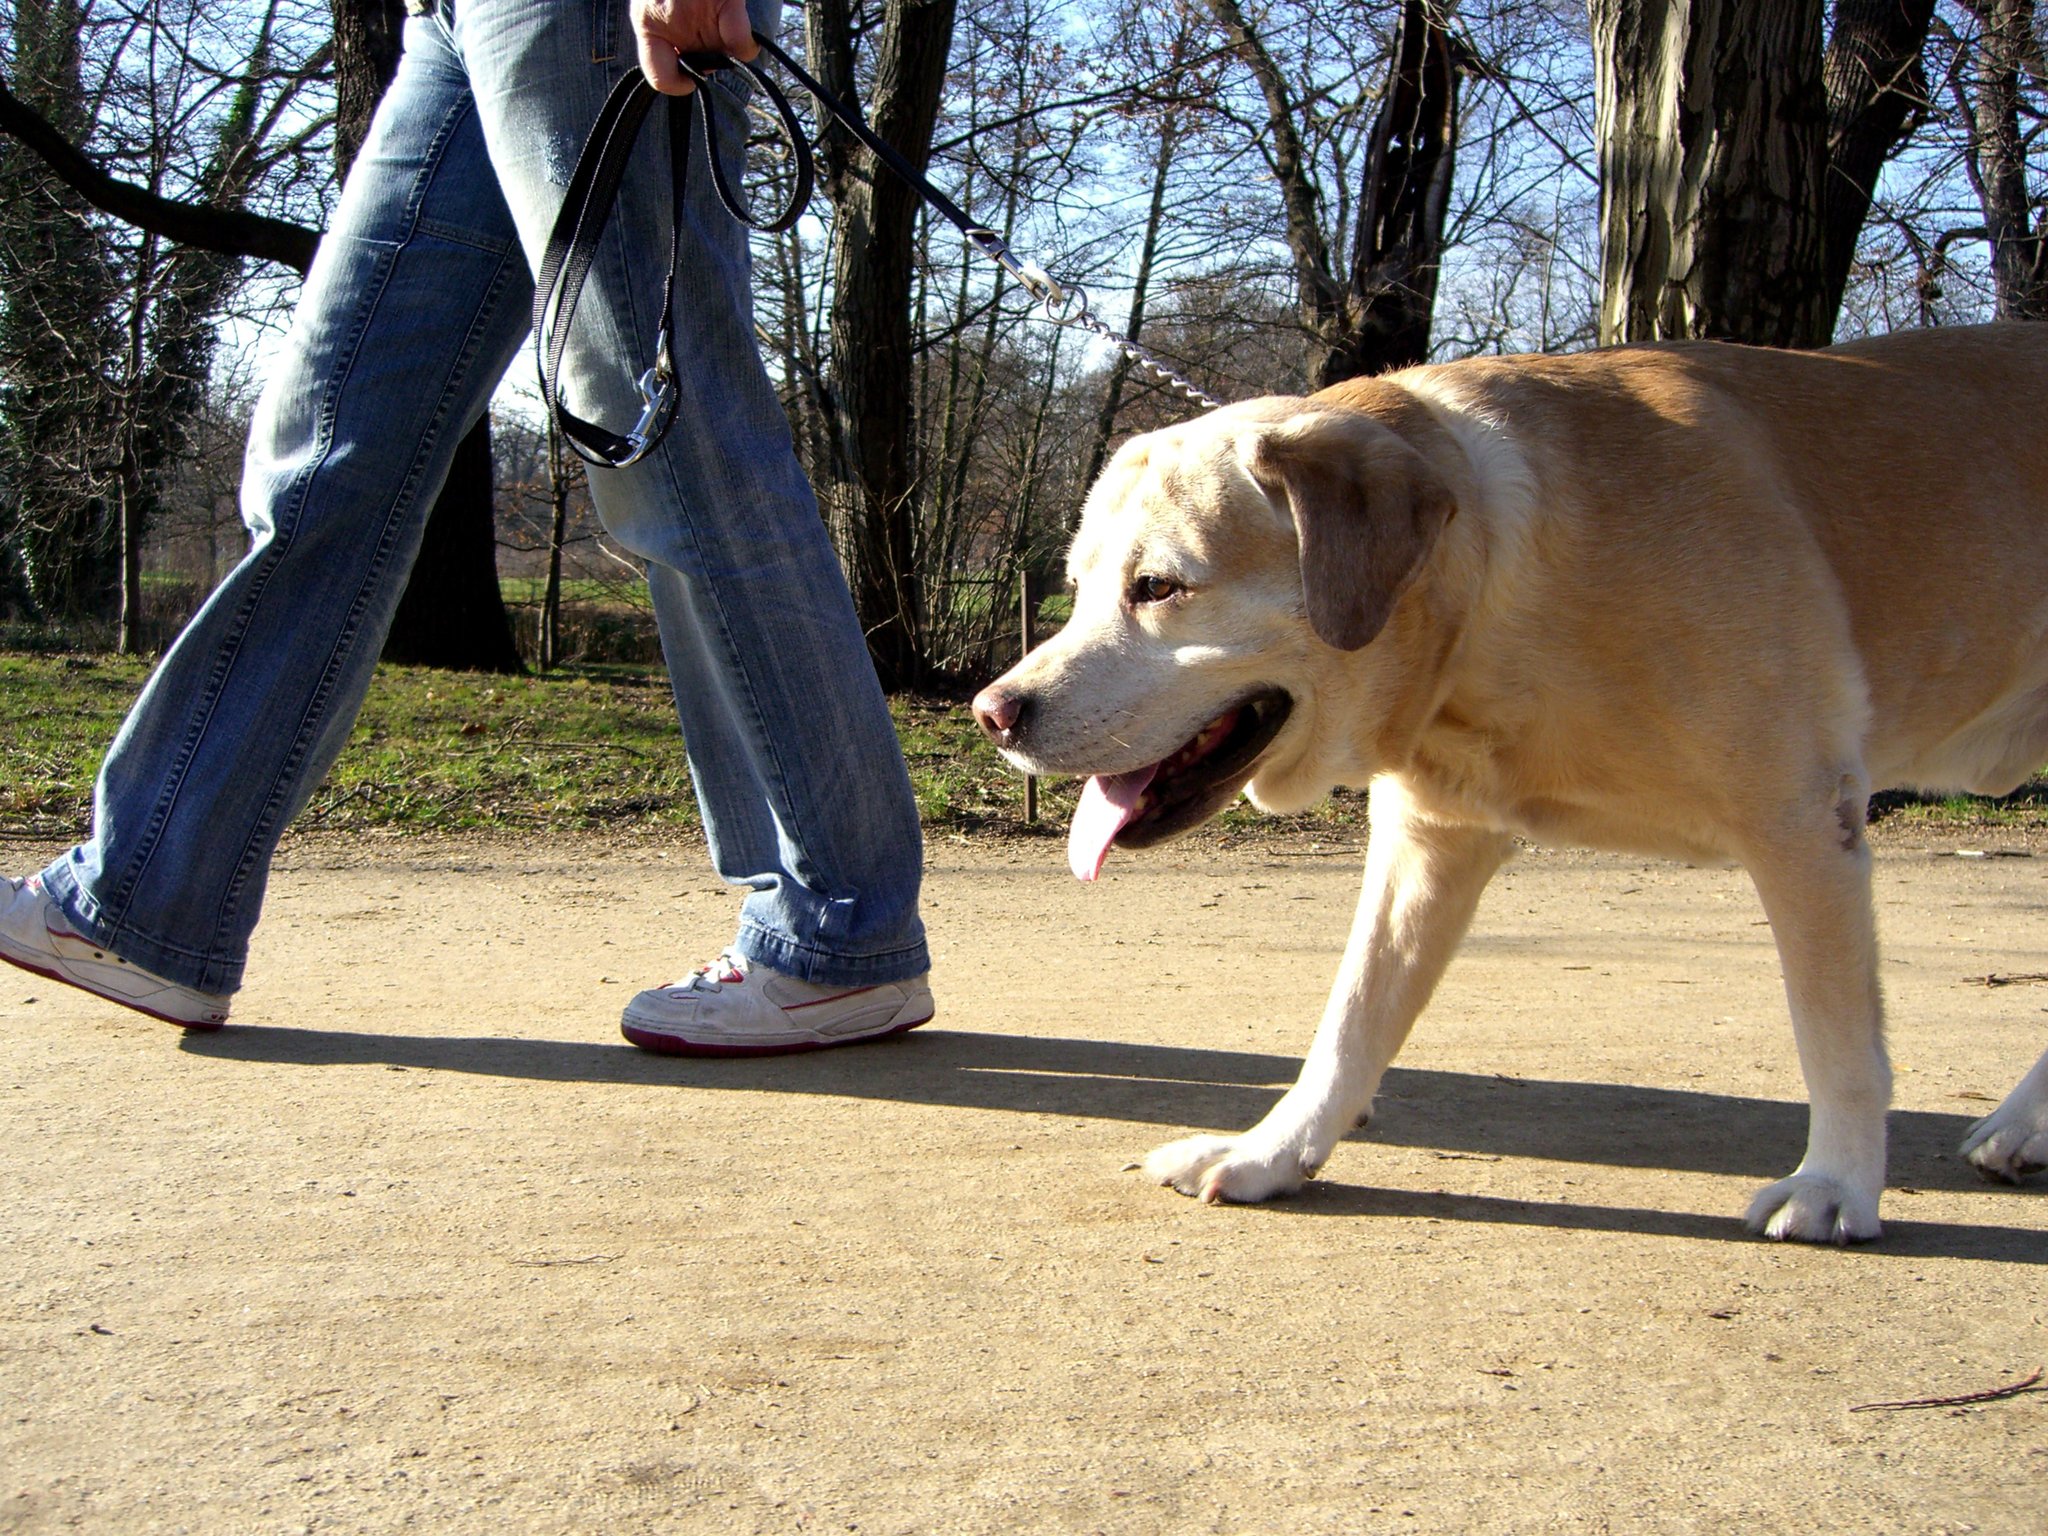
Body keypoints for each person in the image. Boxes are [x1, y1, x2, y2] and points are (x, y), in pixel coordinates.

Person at [0, 0, 932, 1056]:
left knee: (678, 444)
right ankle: (147, 900)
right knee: (332, 453)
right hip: (449, 22)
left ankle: (841, 933)